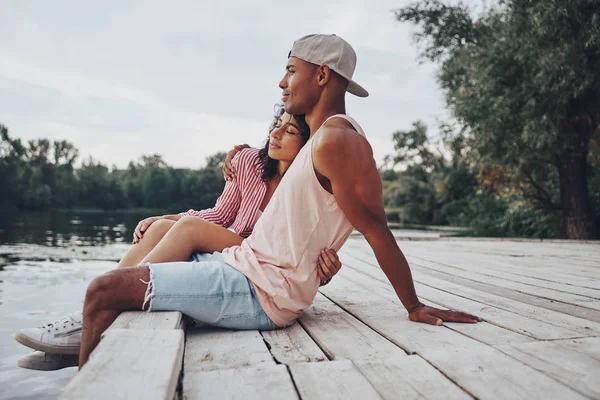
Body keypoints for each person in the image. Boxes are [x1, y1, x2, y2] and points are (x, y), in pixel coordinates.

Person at [23, 33, 481, 370]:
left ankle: (83, 368)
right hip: (242, 268)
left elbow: (376, 229)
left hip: (260, 293)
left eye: (291, 71)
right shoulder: (325, 139)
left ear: (321, 75)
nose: (282, 83)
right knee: (135, 264)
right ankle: (81, 344)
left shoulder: (336, 142)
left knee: (102, 292)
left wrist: (413, 305)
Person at [15, 106, 343, 371]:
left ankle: (84, 327)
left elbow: (305, 248)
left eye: (290, 131)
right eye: (277, 125)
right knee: (161, 230)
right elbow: (218, 215)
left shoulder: (308, 188)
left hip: (257, 263)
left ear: (307, 144)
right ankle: (83, 323)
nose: (275, 133)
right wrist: (166, 219)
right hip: (230, 250)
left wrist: (323, 269)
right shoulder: (247, 163)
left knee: (185, 230)